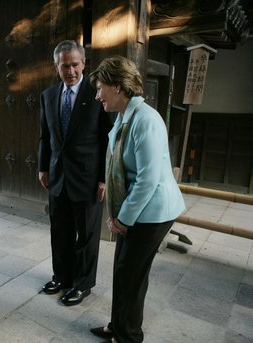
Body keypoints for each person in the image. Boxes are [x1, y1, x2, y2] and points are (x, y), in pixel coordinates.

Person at [88, 56, 186, 343]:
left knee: (132, 273)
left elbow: (148, 180)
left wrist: (122, 218)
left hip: (154, 211)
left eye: (100, 88)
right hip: (137, 208)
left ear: (119, 86)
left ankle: (129, 335)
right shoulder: (123, 117)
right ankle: (118, 325)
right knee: (124, 269)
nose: (96, 95)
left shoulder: (147, 120)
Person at [38, 40, 112, 306]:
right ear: (56, 67)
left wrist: (104, 177)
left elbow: (107, 139)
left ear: (84, 64)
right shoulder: (48, 95)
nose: (70, 71)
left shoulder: (97, 94)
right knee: (60, 230)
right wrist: (43, 167)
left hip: (88, 178)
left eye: (75, 65)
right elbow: (45, 137)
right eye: (64, 66)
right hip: (58, 176)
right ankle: (62, 276)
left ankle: (83, 284)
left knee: (87, 235)